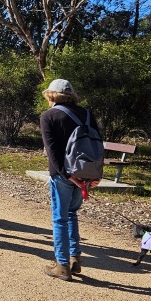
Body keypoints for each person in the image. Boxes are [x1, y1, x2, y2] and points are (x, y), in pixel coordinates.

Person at [40, 78, 101, 281]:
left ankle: (62, 265)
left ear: (51, 95)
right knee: (72, 214)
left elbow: (52, 152)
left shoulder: (49, 116)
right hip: (86, 173)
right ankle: (75, 259)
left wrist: (66, 175)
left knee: (60, 218)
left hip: (63, 175)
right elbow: (98, 144)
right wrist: (95, 176)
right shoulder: (87, 114)